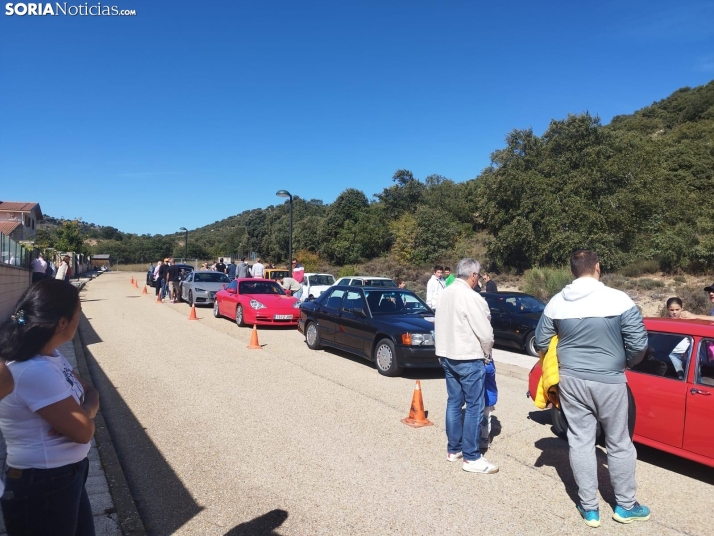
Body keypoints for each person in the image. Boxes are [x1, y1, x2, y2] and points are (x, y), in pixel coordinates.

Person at [535, 250, 649, 528]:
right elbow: (639, 344)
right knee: (619, 443)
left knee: (581, 441)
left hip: (571, 381)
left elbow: (540, 342)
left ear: (573, 271)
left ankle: (589, 509)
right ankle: (625, 506)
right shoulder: (618, 299)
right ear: (597, 267)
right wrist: (622, 363)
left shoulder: (557, 302)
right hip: (610, 380)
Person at [0, 279, 99, 535]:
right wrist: (84, 416)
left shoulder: (50, 356)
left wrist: (84, 412)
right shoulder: (33, 370)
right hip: (42, 483)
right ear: (63, 323)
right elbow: (83, 432)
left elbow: (90, 391)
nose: (80, 321)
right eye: (78, 314)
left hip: (64, 476)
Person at [435, 258, 498, 474]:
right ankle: (471, 456)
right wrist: (487, 354)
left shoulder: (445, 293)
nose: (478, 280)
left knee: (454, 402)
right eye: (478, 276)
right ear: (472, 276)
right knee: (474, 406)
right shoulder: (471, 297)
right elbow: (486, 332)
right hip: (468, 357)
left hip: (446, 355)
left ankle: (454, 449)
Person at [665, 297, 690, 379]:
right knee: (681, 377)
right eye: (671, 310)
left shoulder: (688, 322)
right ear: (667, 309)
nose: (674, 312)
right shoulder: (664, 324)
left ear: (681, 309)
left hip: (688, 354)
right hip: (673, 354)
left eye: (677, 309)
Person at [480, 360, 498, 450]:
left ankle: (483, 439)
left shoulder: (486, 360)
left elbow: (490, 371)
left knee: (484, 420)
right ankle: (482, 439)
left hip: (486, 398)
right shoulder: (487, 361)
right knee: (483, 420)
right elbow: (490, 370)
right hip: (484, 397)